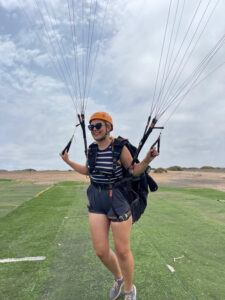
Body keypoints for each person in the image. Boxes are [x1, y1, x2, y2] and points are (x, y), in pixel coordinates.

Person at [60, 112, 159, 300]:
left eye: (98, 126)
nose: (94, 130)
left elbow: (133, 170)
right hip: (96, 198)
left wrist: (146, 160)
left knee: (122, 251)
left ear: (109, 128)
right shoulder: (92, 150)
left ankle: (129, 290)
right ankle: (118, 278)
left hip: (117, 198)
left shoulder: (119, 148)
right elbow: (88, 170)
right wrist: (68, 161)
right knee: (101, 251)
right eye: (91, 127)